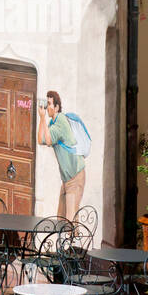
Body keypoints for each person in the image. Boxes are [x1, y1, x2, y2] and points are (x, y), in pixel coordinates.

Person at [38, 90, 86, 219]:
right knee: (61, 217)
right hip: (67, 179)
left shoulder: (61, 121)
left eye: (49, 104)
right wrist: (42, 120)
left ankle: (74, 238)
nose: (47, 107)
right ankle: (73, 238)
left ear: (57, 107)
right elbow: (41, 140)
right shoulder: (52, 123)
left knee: (69, 218)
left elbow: (48, 140)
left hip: (75, 177)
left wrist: (42, 118)